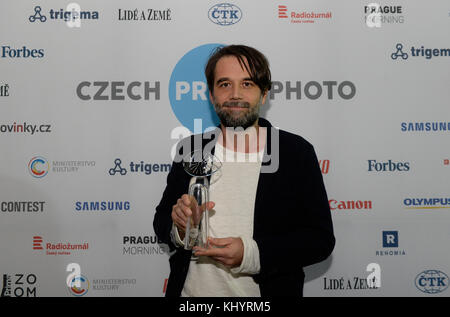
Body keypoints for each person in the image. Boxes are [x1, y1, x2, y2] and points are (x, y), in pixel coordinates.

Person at [153, 45, 335, 297]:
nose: (235, 94)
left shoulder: (295, 153)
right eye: (225, 84)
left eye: (247, 84)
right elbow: (162, 221)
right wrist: (181, 227)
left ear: (263, 95)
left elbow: (319, 240)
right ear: (211, 94)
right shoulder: (191, 148)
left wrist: (251, 255)